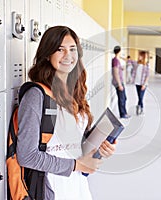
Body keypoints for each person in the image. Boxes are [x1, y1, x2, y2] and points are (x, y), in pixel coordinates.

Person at [17, 26, 116, 200]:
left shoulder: (75, 92)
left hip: (77, 185)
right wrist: (76, 165)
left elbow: (76, 142)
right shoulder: (36, 95)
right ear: (48, 55)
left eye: (72, 49)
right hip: (51, 187)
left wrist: (100, 147)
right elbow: (27, 155)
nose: (68, 55)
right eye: (59, 50)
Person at [112, 46, 130, 119]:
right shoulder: (115, 60)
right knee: (122, 98)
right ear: (119, 51)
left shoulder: (117, 60)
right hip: (118, 82)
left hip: (120, 81)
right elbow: (115, 73)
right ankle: (123, 114)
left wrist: (121, 68)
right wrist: (119, 84)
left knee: (124, 98)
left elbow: (117, 69)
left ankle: (124, 112)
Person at [131, 51, 150, 115]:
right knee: (139, 97)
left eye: (140, 55)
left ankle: (139, 108)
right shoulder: (136, 63)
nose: (139, 57)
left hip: (143, 84)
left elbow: (147, 76)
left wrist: (144, 85)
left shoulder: (146, 65)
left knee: (141, 97)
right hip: (137, 83)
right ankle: (141, 109)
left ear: (143, 57)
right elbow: (129, 60)